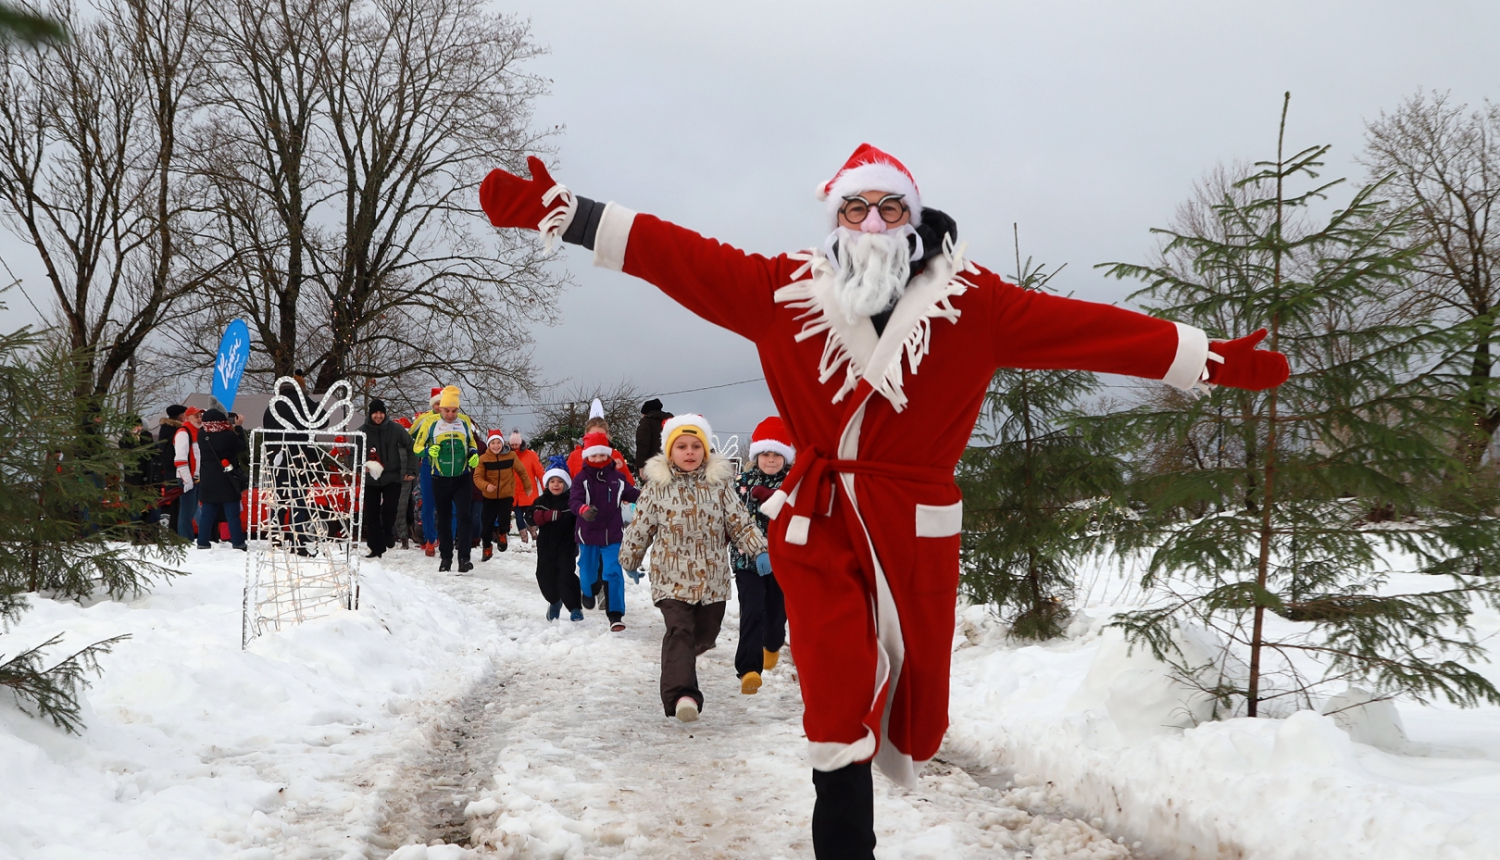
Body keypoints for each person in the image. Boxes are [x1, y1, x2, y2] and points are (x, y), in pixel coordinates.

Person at [481, 144, 1290, 858]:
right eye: (855, 207)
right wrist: (568, 213)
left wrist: (1203, 358)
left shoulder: (977, 304)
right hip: (821, 522)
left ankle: (879, 758)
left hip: (914, 528)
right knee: (835, 708)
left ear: (914, 216)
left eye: (888, 205)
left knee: (915, 707)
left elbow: (1087, 327)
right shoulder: (781, 292)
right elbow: (678, 256)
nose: (871, 220)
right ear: (835, 219)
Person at [621, 414, 767, 722]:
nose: (689, 452)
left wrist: (760, 551)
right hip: (670, 579)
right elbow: (641, 526)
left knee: (703, 635)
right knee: (680, 631)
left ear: (706, 450)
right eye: (682, 446)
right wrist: (630, 558)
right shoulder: (657, 487)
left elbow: (739, 522)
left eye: (696, 446)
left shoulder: (720, 485)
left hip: (712, 580)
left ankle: (680, 662)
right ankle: (683, 695)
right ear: (670, 451)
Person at [733, 416, 794, 695]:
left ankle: (773, 643)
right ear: (757, 455)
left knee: (775, 616)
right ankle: (748, 669)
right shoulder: (742, 483)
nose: (770, 460)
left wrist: (771, 494)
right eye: (765, 454)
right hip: (747, 562)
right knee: (752, 613)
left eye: (777, 454)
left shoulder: (795, 482)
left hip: (784, 563)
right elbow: (733, 518)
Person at [569, 429, 640, 630]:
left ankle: (615, 615)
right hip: (588, 534)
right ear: (587, 456)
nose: (598, 458)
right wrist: (583, 510)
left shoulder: (617, 478)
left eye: (602, 454)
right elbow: (574, 499)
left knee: (613, 572)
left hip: (613, 535)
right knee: (588, 572)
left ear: (608, 454)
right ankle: (588, 591)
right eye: (594, 454)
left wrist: (648, 497)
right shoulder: (581, 478)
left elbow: (631, 493)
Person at [409, 385, 482, 572]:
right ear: (440, 408)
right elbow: (416, 447)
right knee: (443, 518)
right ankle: (446, 558)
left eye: (454, 410)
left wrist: (473, 454)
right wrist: (427, 451)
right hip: (440, 477)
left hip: (462, 477)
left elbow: (472, 443)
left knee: (464, 517)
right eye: (446, 410)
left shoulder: (464, 422)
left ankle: (464, 559)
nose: (450, 415)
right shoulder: (430, 423)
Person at [358, 399, 416, 558]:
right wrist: (361, 467)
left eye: (381, 413)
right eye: (375, 413)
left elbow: (411, 447)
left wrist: (411, 470)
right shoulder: (361, 432)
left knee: (390, 511)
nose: (378, 416)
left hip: (392, 477)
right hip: (371, 478)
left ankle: (388, 533)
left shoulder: (395, 429)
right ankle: (376, 548)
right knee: (371, 514)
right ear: (370, 414)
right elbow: (353, 455)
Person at [530, 465, 583, 621]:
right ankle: (554, 602)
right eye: (552, 481)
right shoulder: (540, 501)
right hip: (545, 545)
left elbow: (580, 519)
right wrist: (543, 516)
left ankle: (575, 608)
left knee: (566, 575)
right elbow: (529, 517)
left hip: (566, 544)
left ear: (566, 484)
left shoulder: (572, 501)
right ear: (547, 484)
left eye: (560, 481)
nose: (556, 484)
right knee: (543, 575)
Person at [473, 430, 534, 561]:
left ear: (502, 443)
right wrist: (486, 486)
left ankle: (502, 533)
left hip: (506, 495)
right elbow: (477, 477)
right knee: (487, 525)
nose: (496, 446)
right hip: (489, 497)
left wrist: (528, 487)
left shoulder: (511, 456)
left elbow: (522, 471)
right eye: (493, 443)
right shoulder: (483, 459)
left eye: (498, 442)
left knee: (504, 520)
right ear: (489, 445)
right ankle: (487, 547)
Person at [195, 408, 248, 550]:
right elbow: (241, 447)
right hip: (227, 479)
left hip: (208, 479)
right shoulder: (228, 435)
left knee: (207, 513)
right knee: (232, 514)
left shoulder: (202, 434)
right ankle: (238, 542)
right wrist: (238, 427)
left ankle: (202, 542)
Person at [566, 399, 636, 485]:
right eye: (593, 435)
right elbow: (566, 484)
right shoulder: (575, 456)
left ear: (607, 436)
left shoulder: (615, 455)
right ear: (586, 435)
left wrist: (621, 469)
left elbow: (629, 485)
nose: (597, 438)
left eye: (601, 435)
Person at [119, 416, 160, 540]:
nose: (138, 428)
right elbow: (132, 453)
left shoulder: (148, 438)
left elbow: (152, 452)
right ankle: (135, 536)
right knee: (136, 510)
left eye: (139, 426)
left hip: (150, 479)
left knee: (153, 509)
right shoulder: (125, 440)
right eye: (135, 426)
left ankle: (152, 535)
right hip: (134, 480)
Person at [171, 406, 203, 541]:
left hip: (196, 477)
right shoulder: (184, 432)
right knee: (187, 511)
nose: (200, 419)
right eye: (196, 416)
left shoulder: (198, 433)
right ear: (188, 418)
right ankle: (185, 539)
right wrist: (187, 479)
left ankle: (186, 538)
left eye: (200, 416)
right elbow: (180, 459)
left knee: (191, 510)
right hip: (188, 478)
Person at [509, 429, 546, 543]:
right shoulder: (508, 457)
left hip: (529, 493)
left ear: (521, 443)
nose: (515, 446)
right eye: (512, 444)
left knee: (531, 516)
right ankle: (524, 538)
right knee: (519, 517)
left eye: (516, 444)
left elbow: (540, 472)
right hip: (515, 494)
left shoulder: (531, 455)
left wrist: (546, 489)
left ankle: (533, 532)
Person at [157, 405, 187, 533]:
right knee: (179, 504)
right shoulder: (176, 432)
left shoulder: (166, 430)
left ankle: (175, 530)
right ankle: (177, 531)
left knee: (176, 504)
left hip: (171, 472)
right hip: (176, 471)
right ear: (181, 416)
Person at [393, 415, 419, 549]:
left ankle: (410, 535)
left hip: (409, 480)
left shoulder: (410, 446)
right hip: (399, 481)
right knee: (400, 509)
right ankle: (403, 536)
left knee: (409, 509)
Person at [634, 398, 673, 476]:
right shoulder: (671, 422)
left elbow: (642, 444)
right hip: (671, 463)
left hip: (653, 464)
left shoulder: (647, 422)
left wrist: (641, 465)